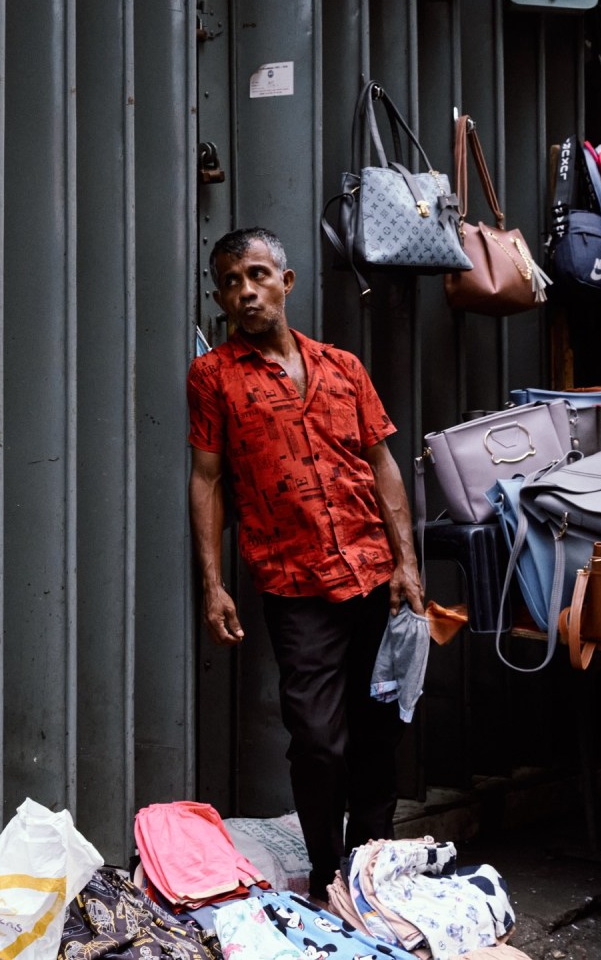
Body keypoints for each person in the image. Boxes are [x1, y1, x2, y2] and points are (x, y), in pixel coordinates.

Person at [186, 227, 422, 899]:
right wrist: (213, 585)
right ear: (220, 296)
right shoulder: (214, 377)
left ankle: (370, 872)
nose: (244, 291)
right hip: (294, 583)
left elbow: (383, 466)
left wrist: (406, 564)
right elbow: (207, 481)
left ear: (286, 283)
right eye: (230, 282)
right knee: (319, 739)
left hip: (373, 573)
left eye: (257, 275)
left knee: (378, 732)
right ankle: (326, 871)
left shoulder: (344, 367)